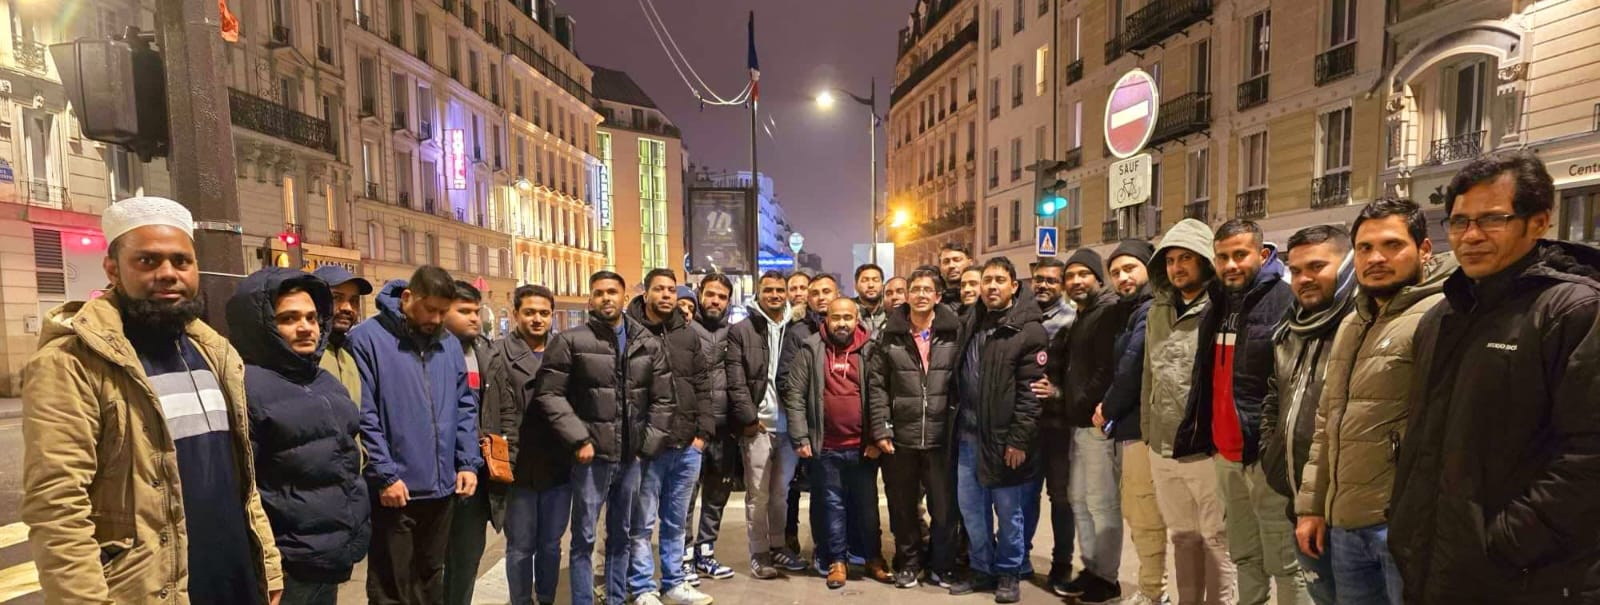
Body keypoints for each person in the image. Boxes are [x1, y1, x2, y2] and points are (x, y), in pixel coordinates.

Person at [22, 196, 283, 603]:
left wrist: (266, 562)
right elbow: (57, 507)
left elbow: (241, 479)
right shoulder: (71, 363)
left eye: (181, 261)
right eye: (147, 261)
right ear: (113, 269)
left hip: (235, 581)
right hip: (150, 590)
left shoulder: (214, 352)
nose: (168, 274)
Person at [1391, 152, 1600, 602]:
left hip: (1523, 577)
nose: (1471, 236)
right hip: (1436, 563)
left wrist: (1502, 544)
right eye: (1459, 221)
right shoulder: (1442, 316)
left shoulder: (1575, 311)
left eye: (1492, 219)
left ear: (1538, 222)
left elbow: (1588, 458)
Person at [1293, 200, 1453, 605]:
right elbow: (1328, 421)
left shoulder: (1442, 313)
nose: (1376, 258)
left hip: (1403, 525)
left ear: (1424, 249)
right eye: (1365, 248)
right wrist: (1313, 506)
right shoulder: (1353, 321)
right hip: (1346, 523)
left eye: (1392, 245)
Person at [227, 268, 371, 605]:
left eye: (311, 317)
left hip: (328, 554)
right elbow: (244, 488)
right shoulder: (247, 387)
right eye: (288, 318)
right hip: (288, 564)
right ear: (261, 324)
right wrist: (269, 563)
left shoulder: (324, 380)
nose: (306, 327)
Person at [534, 270, 675, 605]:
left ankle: (614, 598)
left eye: (612, 291)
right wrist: (579, 439)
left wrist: (645, 447)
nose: (606, 298)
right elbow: (550, 394)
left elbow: (664, 400)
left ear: (625, 296)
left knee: (621, 536)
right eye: (598, 293)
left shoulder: (646, 342)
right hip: (591, 459)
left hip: (630, 459)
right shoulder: (571, 341)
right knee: (583, 539)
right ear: (590, 300)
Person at [348, 265, 482, 604]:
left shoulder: (449, 344)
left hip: (442, 488)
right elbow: (364, 414)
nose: (436, 319)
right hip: (396, 489)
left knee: (432, 576)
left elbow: (464, 405)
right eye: (430, 309)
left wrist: (467, 463)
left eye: (443, 312)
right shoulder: (367, 339)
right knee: (392, 585)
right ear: (408, 297)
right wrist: (385, 474)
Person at [1189, 220, 1306, 605]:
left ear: (1263, 254)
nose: (1230, 265)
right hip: (1226, 454)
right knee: (1244, 554)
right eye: (1222, 257)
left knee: (1285, 562)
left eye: (1240, 254)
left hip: (1266, 457)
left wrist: (1274, 448)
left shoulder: (1286, 301)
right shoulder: (1217, 303)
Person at [1255, 225, 1355, 605]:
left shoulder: (1359, 323)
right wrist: (1271, 452)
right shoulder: (1293, 326)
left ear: (1346, 265)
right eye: (1296, 270)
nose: (1303, 279)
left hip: (1348, 507)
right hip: (1297, 496)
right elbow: (1274, 395)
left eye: (1316, 266)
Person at [1142, 218, 1237, 605]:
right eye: (1169, 260)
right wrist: (1148, 431)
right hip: (1162, 447)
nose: (1176, 267)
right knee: (1182, 536)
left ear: (1203, 260)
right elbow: (1148, 373)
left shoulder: (1221, 308)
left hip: (1205, 448)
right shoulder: (1158, 310)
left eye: (1185, 258)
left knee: (1217, 540)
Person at [947, 257, 1047, 604]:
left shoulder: (1028, 331)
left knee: (1008, 512)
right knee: (972, 510)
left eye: (999, 280)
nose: (991, 286)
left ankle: (1009, 572)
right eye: (987, 280)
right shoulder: (970, 322)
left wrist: (1018, 440)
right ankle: (981, 568)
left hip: (1005, 441)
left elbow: (1031, 395)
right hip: (968, 436)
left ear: (1014, 286)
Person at [1035, 248, 1126, 603]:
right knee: (1080, 500)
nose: (1075, 281)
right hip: (1078, 423)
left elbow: (1106, 369)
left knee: (1101, 503)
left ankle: (1107, 578)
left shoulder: (1107, 312)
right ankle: (1092, 569)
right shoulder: (1085, 314)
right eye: (1071, 276)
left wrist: (1077, 402)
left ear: (1098, 279)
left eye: (1082, 274)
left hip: (1095, 423)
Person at [785, 297, 891, 589]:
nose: (842, 323)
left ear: (857, 320)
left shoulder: (870, 349)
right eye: (836, 318)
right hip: (826, 446)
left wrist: (877, 437)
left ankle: (873, 558)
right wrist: (801, 437)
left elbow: (880, 395)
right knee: (831, 506)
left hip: (863, 447)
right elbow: (795, 395)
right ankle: (837, 561)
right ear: (826, 320)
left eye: (847, 317)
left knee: (867, 507)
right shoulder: (810, 348)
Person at [625, 269, 716, 605]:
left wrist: (703, 434)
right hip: (648, 447)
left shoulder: (686, 334)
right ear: (645, 293)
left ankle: (674, 581)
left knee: (676, 521)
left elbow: (702, 384)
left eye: (671, 290)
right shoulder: (630, 332)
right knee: (642, 522)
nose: (666, 295)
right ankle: (642, 586)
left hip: (687, 444)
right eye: (659, 289)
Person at [869, 266, 962, 589]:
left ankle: (942, 565)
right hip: (901, 438)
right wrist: (881, 428)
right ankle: (909, 563)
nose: (921, 295)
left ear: (938, 296)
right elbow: (877, 385)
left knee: (944, 508)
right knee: (903, 507)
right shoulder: (889, 334)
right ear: (907, 295)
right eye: (915, 289)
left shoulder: (954, 332)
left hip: (942, 437)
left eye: (927, 290)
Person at [490, 285, 571, 605]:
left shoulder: (565, 350)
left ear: (552, 316)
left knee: (551, 544)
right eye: (529, 312)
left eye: (544, 313)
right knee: (521, 546)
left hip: (557, 465)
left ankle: (546, 598)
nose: (537, 319)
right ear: (515, 315)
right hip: (519, 465)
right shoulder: (498, 354)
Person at [1098, 239, 1169, 605]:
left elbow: (1132, 364)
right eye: (1116, 272)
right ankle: (1154, 589)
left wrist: (1107, 408)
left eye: (1130, 269)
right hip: (1134, 425)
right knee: (1142, 513)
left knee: (1144, 514)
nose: (1122, 277)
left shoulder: (1150, 309)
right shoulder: (1131, 310)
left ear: (1148, 269)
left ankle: (1154, 593)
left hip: (1142, 426)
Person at [727, 271, 795, 579]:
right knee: (758, 495)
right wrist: (749, 420)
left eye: (780, 290)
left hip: (790, 427)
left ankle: (778, 546)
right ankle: (759, 552)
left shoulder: (797, 327)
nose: (775, 295)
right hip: (759, 427)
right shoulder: (742, 330)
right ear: (758, 292)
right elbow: (736, 380)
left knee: (780, 492)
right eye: (768, 290)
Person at [444, 281, 499, 605]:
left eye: (476, 311)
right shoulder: (430, 352)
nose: (474, 318)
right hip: (439, 474)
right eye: (464, 311)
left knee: (466, 558)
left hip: (477, 474)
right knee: (434, 563)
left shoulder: (485, 352)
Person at [687, 274, 740, 583]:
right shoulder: (684, 330)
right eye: (710, 294)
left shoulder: (735, 334)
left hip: (724, 430)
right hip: (691, 432)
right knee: (684, 498)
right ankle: (683, 558)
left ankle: (705, 553)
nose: (715, 301)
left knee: (716, 495)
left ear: (728, 301)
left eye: (721, 296)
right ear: (700, 294)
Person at [1024, 256, 1072, 587]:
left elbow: (1084, 372)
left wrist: (1058, 391)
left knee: (1061, 497)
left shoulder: (1072, 320)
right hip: (1026, 425)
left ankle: (1062, 563)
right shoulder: (1023, 317)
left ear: (1062, 285)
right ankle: (1020, 557)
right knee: (1025, 495)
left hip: (1058, 426)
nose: (1043, 285)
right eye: (1038, 279)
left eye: (1051, 280)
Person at [313, 265, 373, 399]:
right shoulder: (303, 355)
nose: (348, 308)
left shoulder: (349, 359)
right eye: (336, 298)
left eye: (354, 301)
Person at [854, 264, 889, 335]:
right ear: (855, 286)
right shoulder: (849, 310)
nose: (871, 285)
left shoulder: (890, 310)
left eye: (876, 280)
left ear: (883, 286)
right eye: (865, 280)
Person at [939, 242, 975, 308]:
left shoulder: (983, 298)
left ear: (970, 263)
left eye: (957, 260)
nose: (951, 265)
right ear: (940, 267)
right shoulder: (934, 302)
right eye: (946, 262)